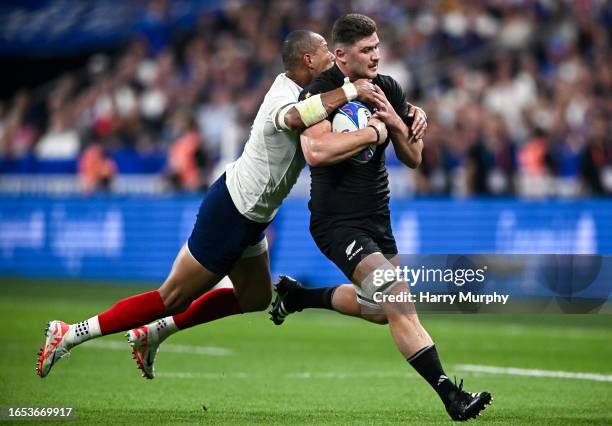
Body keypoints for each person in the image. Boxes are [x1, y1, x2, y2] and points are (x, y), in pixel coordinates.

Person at [35, 30, 398, 379]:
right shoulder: (284, 94)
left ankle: (153, 334)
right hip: (231, 209)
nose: (331, 55)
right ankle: (69, 333)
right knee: (171, 296)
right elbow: (293, 118)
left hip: (253, 216)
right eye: (323, 50)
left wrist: (408, 113)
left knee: (255, 297)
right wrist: (351, 89)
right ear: (307, 59)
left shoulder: (316, 91)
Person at [269, 14, 492, 422]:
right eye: (366, 50)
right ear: (340, 55)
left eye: (377, 47)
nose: (376, 56)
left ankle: (300, 296)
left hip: (378, 218)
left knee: (378, 310)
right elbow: (316, 153)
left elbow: (413, 158)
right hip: (337, 222)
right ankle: (450, 395)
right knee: (397, 300)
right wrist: (374, 133)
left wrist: (397, 123)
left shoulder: (387, 87)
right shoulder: (319, 94)